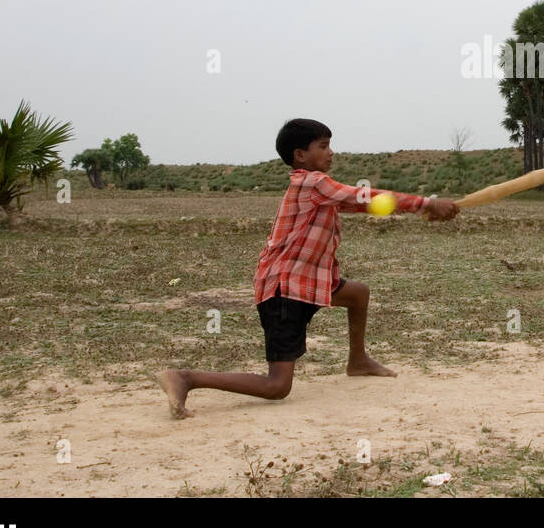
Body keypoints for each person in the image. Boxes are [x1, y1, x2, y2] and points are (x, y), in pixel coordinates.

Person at [158, 118, 459, 418]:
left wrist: (420, 210)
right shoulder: (312, 182)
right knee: (277, 386)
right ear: (300, 155)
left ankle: (358, 361)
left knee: (358, 294)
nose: (331, 153)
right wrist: (428, 204)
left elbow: (363, 205)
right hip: (285, 288)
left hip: (309, 281)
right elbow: (361, 196)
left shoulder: (317, 188)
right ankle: (186, 378)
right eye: (323, 146)